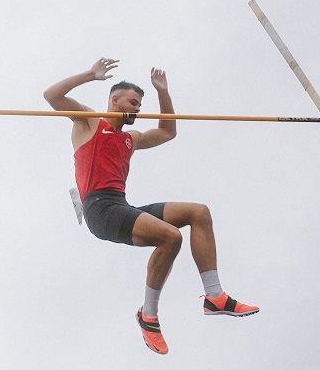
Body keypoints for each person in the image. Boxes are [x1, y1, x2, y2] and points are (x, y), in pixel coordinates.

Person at [44, 57, 257, 354]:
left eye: (140, 105)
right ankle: (149, 316)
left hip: (120, 205)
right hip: (100, 210)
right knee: (171, 237)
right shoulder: (89, 121)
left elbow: (168, 132)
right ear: (114, 100)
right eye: (133, 102)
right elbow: (51, 96)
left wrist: (163, 92)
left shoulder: (131, 138)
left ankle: (214, 295)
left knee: (199, 213)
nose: (137, 109)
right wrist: (91, 75)